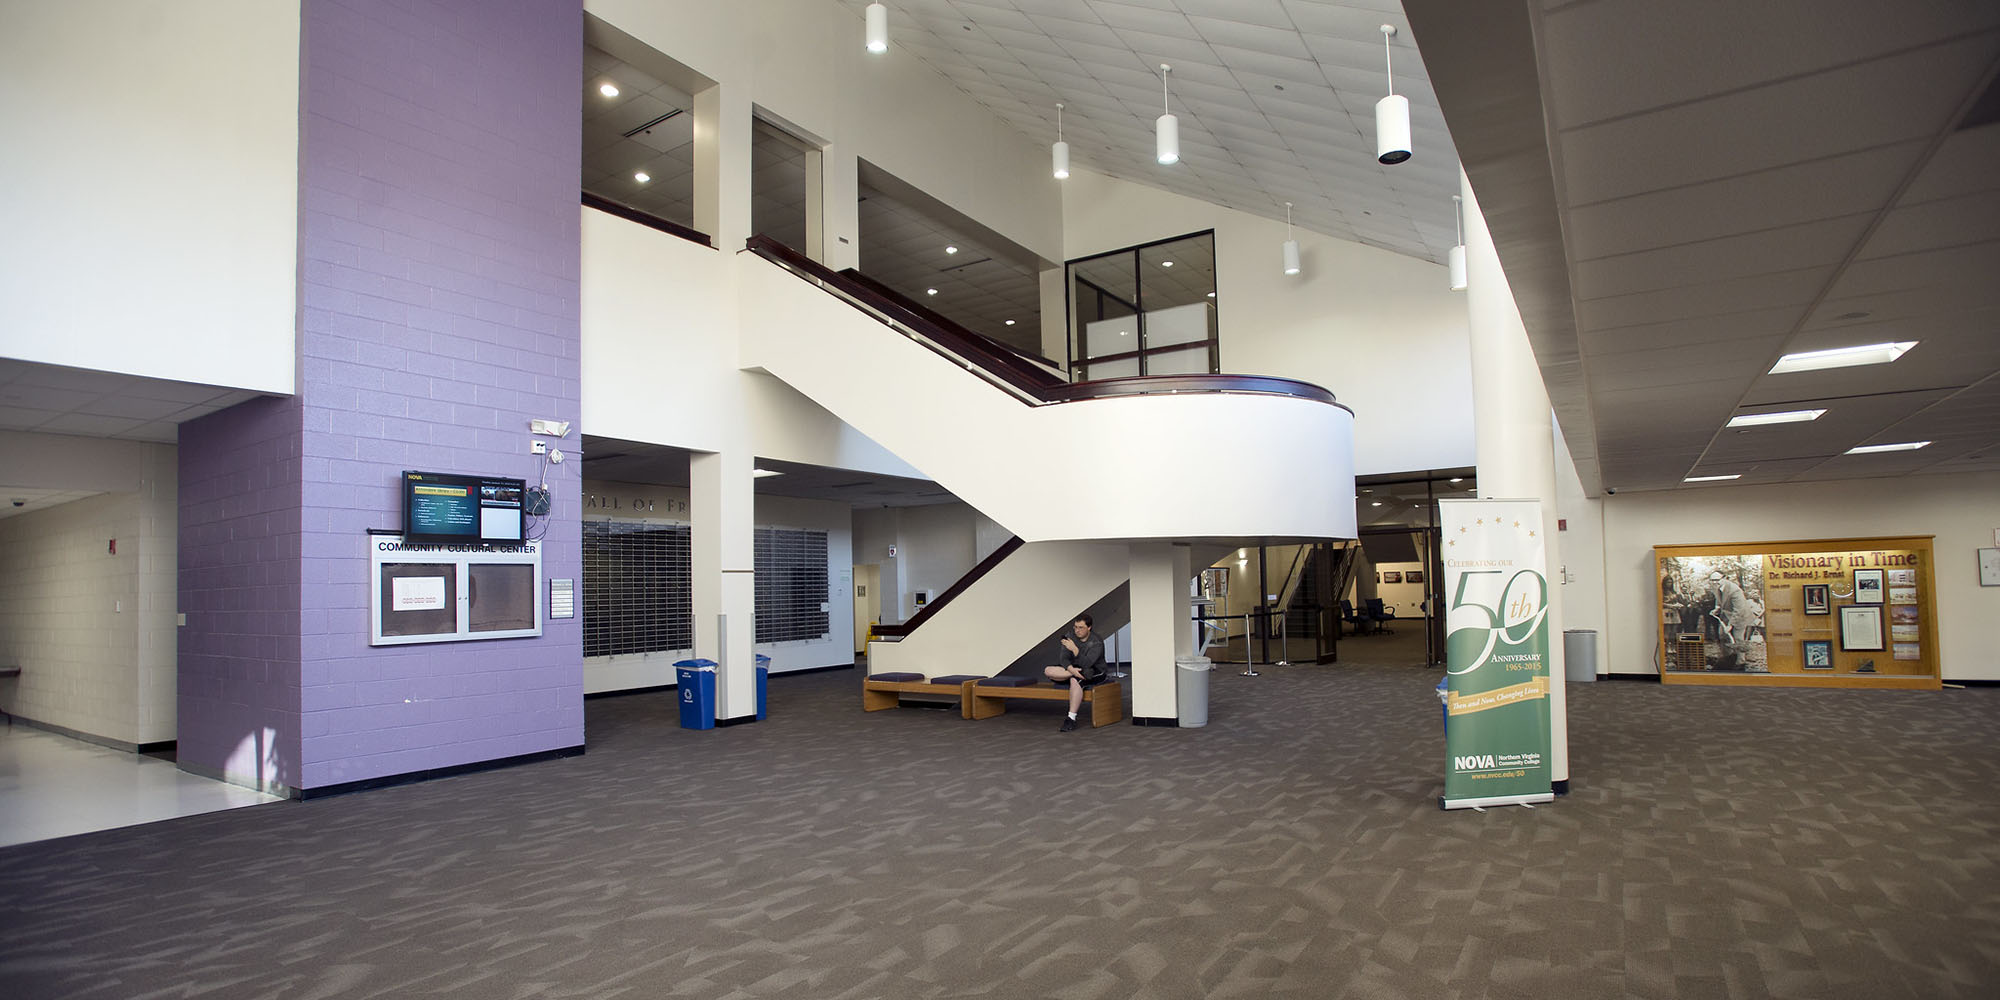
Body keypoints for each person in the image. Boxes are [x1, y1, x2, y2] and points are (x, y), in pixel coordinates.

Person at [1042, 614, 1105, 732]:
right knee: (1048, 670)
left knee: (1074, 680)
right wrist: (1072, 670)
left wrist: (1075, 649)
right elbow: (1064, 659)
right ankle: (1074, 675)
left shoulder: (1096, 642)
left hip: (1095, 669)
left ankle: (1071, 718)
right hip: (1075, 669)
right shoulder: (1070, 636)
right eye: (1075, 627)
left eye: (1081, 627)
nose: (1077, 630)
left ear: (1089, 627)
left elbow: (1087, 663)